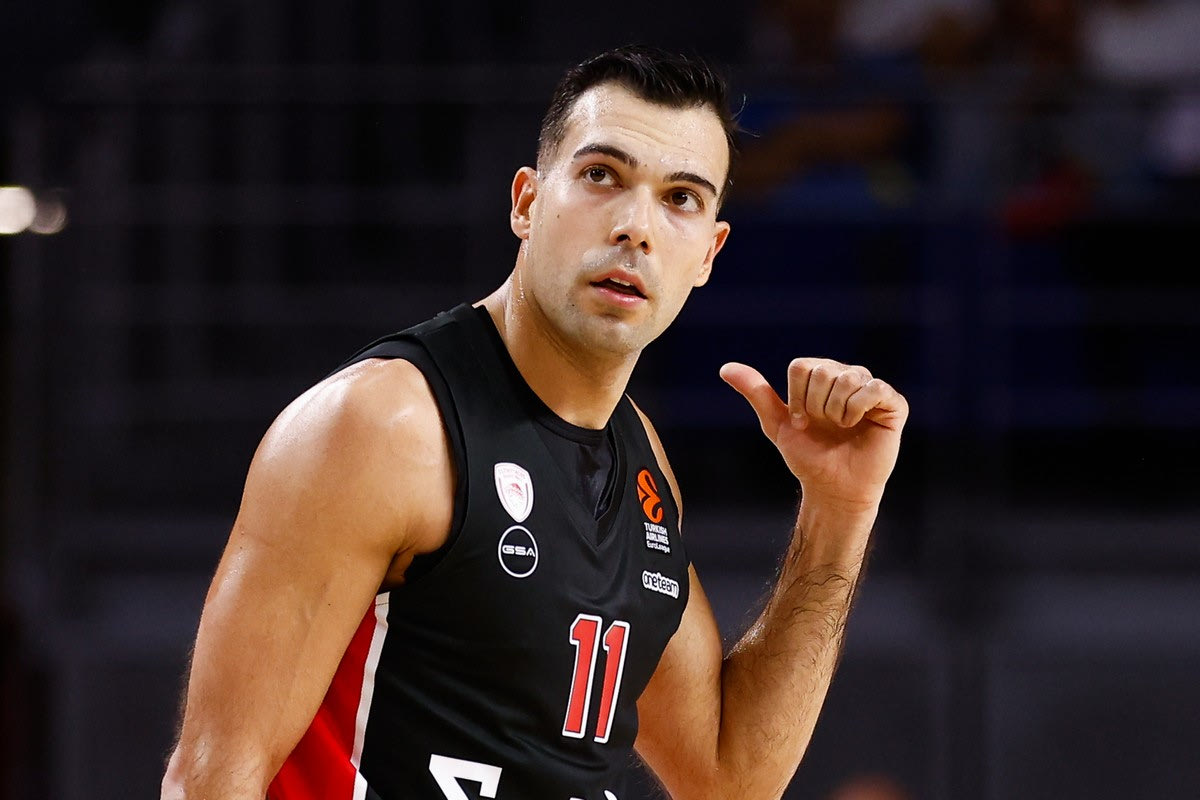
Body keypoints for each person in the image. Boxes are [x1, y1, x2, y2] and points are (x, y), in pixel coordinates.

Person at [160, 44, 908, 800]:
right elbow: (211, 777)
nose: (635, 227)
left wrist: (838, 510)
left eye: (680, 198)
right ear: (526, 202)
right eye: (602, 176)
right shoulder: (382, 427)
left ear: (709, 253)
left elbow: (730, 779)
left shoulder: (640, 464)